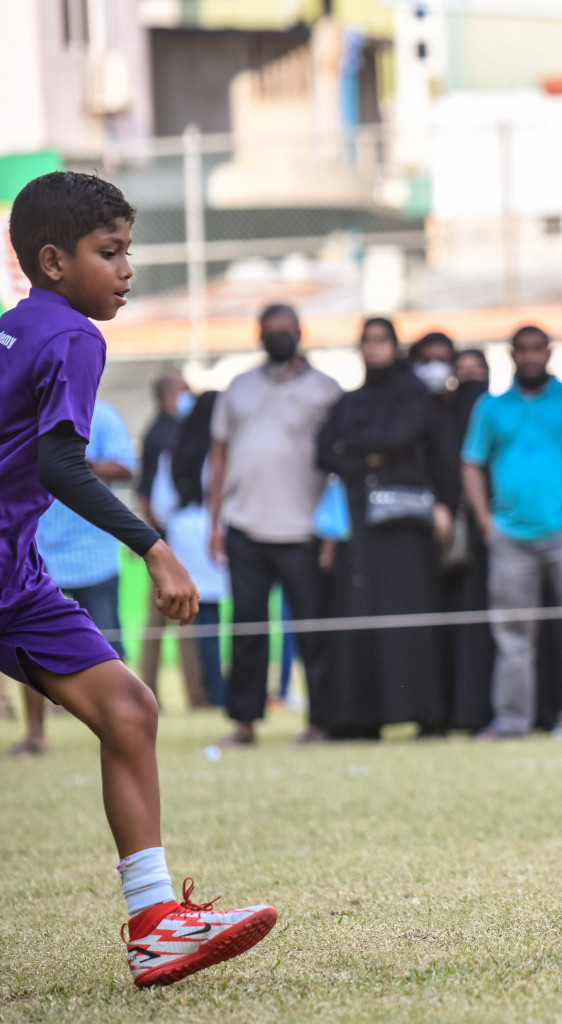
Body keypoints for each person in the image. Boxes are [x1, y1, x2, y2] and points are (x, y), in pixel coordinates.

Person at [0, 170, 274, 985]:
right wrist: (153, 547)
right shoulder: (75, 338)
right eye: (109, 252)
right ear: (53, 261)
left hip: (14, 573)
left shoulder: (16, 327)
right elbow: (60, 464)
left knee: (128, 708)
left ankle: (156, 920)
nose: (126, 270)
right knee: (132, 710)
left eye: (128, 251)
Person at [462, 325, 562, 738]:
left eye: (537, 349)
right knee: (512, 633)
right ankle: (512, 721)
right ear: (511, 355)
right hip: (510, 535)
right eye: (522, 350)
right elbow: (472, 463)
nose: (530, 357)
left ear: (548, 353)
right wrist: (484, 520)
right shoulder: (491, 407)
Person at [207, 303, 341, 747]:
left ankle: (320, 721)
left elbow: (338, 464)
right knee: (247, 630)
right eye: (270, 331)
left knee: (312, 632)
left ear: (300, 333)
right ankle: (244, 723)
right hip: (244, 526)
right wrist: (215, 523)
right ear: (258, 334)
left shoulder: (326, 390)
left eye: (286, 331)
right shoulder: (238, 388)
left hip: (304, 530)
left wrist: (332, 531)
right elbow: (220, 454)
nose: (278, 337)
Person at [315, 318, 450, 739]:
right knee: (359, 613)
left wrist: (356, 449)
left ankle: (422, 713)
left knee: (407, 615)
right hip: (359, 527)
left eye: (382, 341)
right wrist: (369, 457)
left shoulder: (414, 395)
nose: (375, 349)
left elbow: (399, 436)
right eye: (368, 342)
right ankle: (361, 718)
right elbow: (324, 452)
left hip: (404, 527)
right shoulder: (349, 401)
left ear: (395, 346)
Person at [9, 398, 137, 757]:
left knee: (108, 645)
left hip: (92, 552)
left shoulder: (103, 414)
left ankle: (121, 727)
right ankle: (36, 734)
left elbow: (126, 467)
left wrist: (65, 465)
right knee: (29, 649)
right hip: (36, 550)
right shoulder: (22, 410)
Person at [409, 332, 496, 733]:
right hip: (439, 535)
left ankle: (479, 712)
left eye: (479, 372)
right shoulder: (433, 415)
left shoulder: (498, 413)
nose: (471, 379)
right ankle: (439, 714)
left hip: (491, 535)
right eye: (463, 373)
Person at [135, 370, 205, 704]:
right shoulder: (163, 435)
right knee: (176, 618)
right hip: (167, 542)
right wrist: (157, 543)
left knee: (164, 621)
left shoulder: (168, 431)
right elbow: (148, 494)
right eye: (183, 391)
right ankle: (190, 693)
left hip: (165, 540)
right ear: (166, 397)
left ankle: (161, 689)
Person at [166, 389, 227, 708]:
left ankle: (213, 690)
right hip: (218, 529)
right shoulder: (221, 449)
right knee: (225, 615)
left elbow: (163, 502)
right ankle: (220, 692)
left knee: (204, 618)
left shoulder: (175, 447)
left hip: (185, 532)